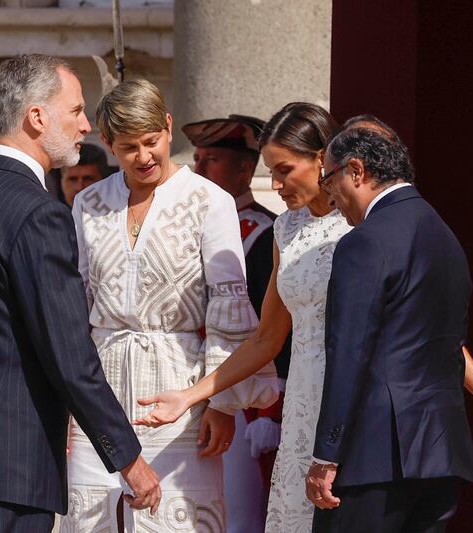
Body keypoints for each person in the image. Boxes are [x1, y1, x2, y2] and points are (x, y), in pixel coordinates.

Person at [134, 108, 473, 533]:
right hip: (305, 409)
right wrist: (192, 396)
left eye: (284, 170)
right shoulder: (285, 230)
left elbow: (421, 330)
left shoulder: (367, 226)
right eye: (270, 172)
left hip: (358, 413)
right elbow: (266, 339)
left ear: (324, 161)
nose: (276, 185)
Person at [0, 54, 161, 532]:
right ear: (37, 117)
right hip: (9, 463)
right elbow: (68, 353)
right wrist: (128, 458)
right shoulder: (39, 213)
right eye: (76, 110)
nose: (86, 124)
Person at [60, 80, 279, 533]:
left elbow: (227, 305)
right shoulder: (88, 203)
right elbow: (73, 308)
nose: (144, 157)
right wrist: (65, 401)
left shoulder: (209, 201)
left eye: (151, 142)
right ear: (107, 144)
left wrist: (222, 403)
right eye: (128, 147)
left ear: (167, 126)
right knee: (89, 522)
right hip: (98, 398)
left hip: (180, 399)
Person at [304, 125, 473, 532]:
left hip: (373, 457)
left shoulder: (364, 242)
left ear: (355, 170)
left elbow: (348, 352)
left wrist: (326, 455)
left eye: (328, 180)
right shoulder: (446, 237)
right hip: (440, 453)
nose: (330, 197)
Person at [183, 114, 292, 533]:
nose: (199, 169)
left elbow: (276, 327)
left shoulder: (264, 232)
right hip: (189, 382)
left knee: (238, 513)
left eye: (211, 160)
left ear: (245, 169)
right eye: (197, 159)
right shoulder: (188, 227)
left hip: (241, 395)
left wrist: (269, 409)